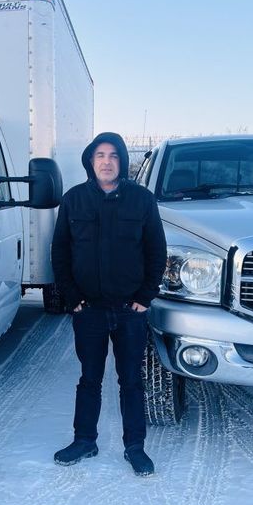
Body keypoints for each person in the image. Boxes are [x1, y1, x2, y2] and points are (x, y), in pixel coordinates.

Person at [51, 132, 167, 476]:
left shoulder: (142, 201)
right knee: (89, 378)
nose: (106, 161)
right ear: (90, 160)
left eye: (113, 155)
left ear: (122, 162)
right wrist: (72, 299)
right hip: (89, 311)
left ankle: (135, 447)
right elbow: (60, 253)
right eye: (99, 155)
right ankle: (84, 439)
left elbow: (156, 252)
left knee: (131, 380)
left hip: (130, 311)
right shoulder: (73, 201)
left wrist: (144, 298)